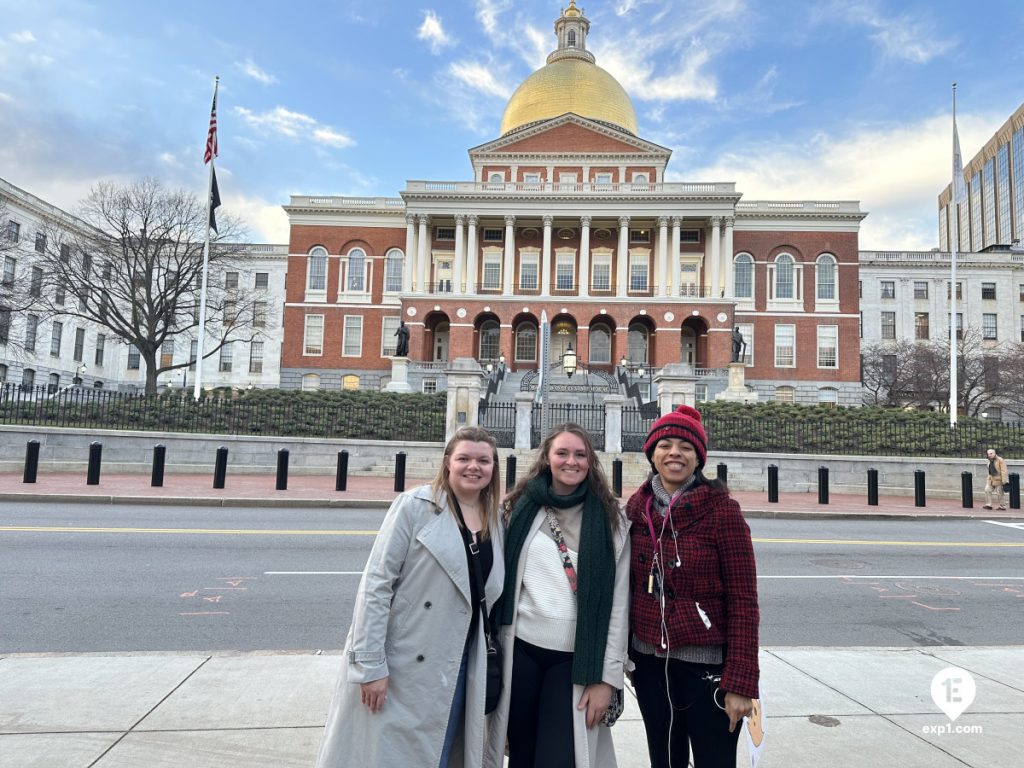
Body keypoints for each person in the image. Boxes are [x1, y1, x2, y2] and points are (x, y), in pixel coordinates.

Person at [315, 426, 504, 768]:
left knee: (442, 753)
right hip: (403, 663)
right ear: (448, 463)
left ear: (494, 468)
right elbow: (376, 584)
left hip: (461, 662)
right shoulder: (414, 507)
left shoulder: (495, 521)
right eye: (463, 458)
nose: (473, 467)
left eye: (483, 460)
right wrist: (370, 665)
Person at [485, 423, 630, 768]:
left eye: (580, 454)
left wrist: (607, 679)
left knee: (558, 757)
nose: (571, 461)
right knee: (521, 754)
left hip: (575, 661)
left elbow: (619, 605)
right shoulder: (519, 507)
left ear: (591, 461)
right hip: (520, 652)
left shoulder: (612, 518)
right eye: (562, 453)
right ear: (547, 458)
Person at [626, 405, 759, 768]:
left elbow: (744, 600)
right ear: (652, 454)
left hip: (707, 669)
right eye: (665, 445)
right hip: (649, 663)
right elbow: (627, 588)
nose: (674, 453)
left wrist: (742, 682)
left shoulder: (722, 511)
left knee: (714, 761)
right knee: (664, 760)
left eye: (685, 447)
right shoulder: (636, 511)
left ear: (698, 457)